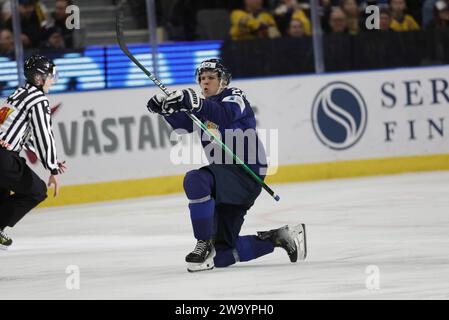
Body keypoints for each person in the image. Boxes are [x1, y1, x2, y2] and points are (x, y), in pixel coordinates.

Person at [146, 58, 306, 272]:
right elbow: (183, 127)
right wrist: (165, 109)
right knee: (222, 255)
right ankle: (279, 238)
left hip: (246, 173)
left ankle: (202, 244)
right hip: (226, 180)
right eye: (202, 78)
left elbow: (225, 114)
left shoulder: (234, 96)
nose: (205, 82)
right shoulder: (202, 107)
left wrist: (194, 103)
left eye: (211, 77)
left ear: (223, 81)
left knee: (196, 179)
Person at [0, 54, 66, 249]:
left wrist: (51, 161)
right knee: (36, 191)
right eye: (50, 75)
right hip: (4, 158)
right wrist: (52, 170)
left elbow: (21, 135)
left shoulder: (19, 93)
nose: (53, 81)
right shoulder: (38, 100)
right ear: (39, 78)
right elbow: (43, 135)